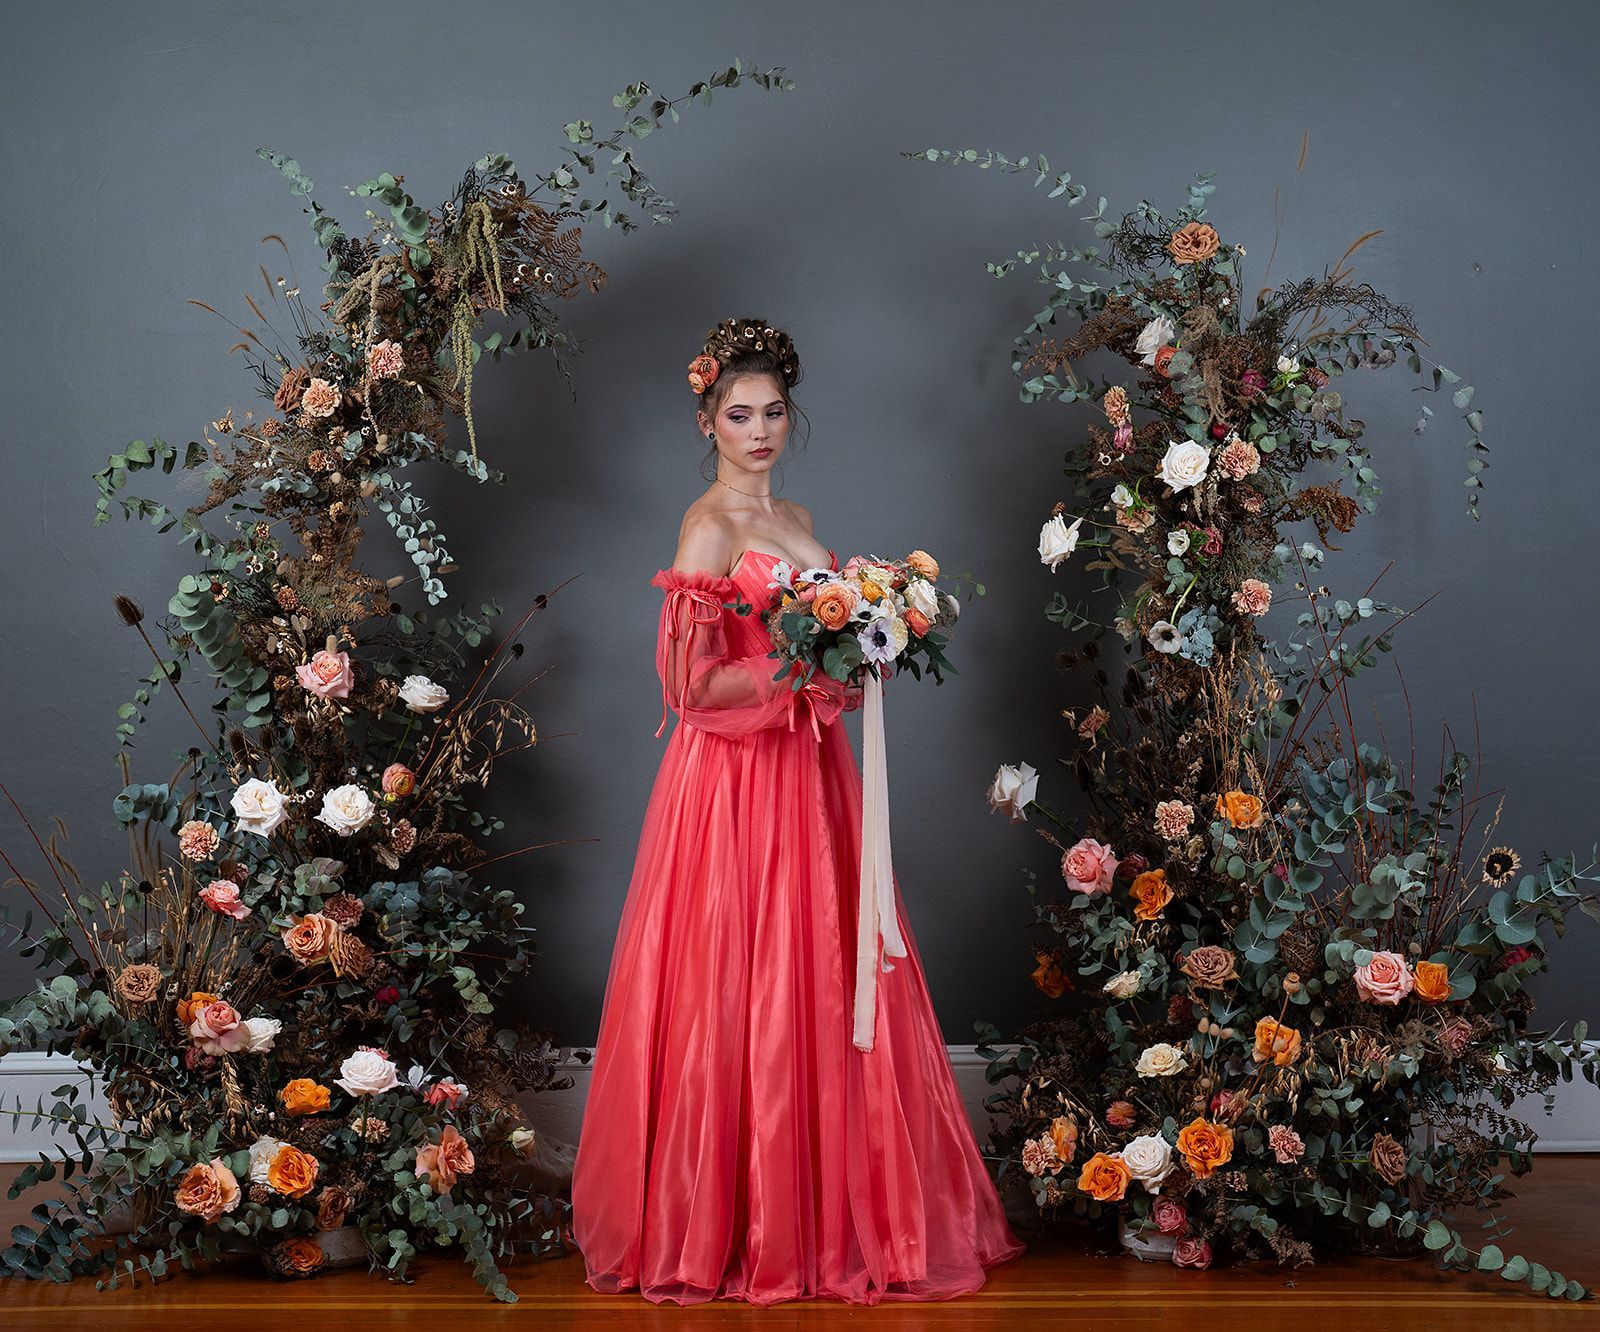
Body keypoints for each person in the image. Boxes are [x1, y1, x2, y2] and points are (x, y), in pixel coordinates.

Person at [569, 317, 1025, 1305]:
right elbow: (688, 689)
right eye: (738, 414)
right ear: (706, 418)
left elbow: (823, 659)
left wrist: (863, 651)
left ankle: (831, 1215)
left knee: (820, 973)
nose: (759, 430)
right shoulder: (707, 527)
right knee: (745, 980)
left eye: (773, 411)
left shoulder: (797, 512)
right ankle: (741, 1224)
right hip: (736, 788)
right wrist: (802, 662)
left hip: (811, 775)